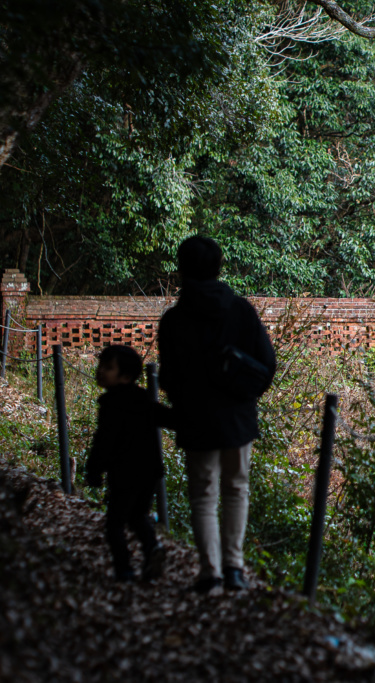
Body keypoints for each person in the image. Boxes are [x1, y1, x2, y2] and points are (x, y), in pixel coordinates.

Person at [158, 236, 276, 593]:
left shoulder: (174, 320)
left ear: (181, 270)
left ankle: (210, 574)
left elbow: (168, 377)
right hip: (237, 418)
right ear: (218, 268)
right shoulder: (241, 310)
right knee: (237, 488)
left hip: (195, 418)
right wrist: (244, 395)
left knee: (204, 494)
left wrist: (186, 400)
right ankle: (235, 570)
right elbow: (266, 364)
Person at [85, 345, 168, 583]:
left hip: (124, 474)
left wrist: (94, 471)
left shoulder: (111, 404)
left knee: (114, 524)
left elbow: (104, 441)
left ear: (125, 376)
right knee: (138, 516)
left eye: (108, 368)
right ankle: (152, 547)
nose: (100, 371)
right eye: (101, 365)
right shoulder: (143, 398)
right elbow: (165, 417)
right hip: (150, 472)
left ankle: (124, 569)